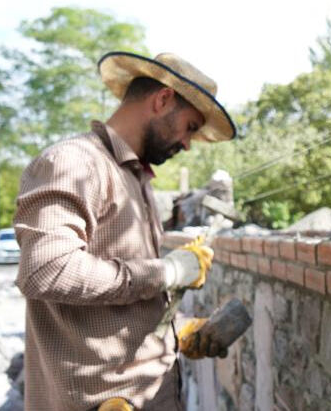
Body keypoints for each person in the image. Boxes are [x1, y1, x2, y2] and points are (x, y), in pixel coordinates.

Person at [14, 52, 236, 410]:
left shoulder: (138, 180)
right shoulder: (74, 163)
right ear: (163, 100)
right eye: (191, 127)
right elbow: (46, 270)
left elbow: (120, 306)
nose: (187, 144)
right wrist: (170, 271)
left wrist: (177, 332)